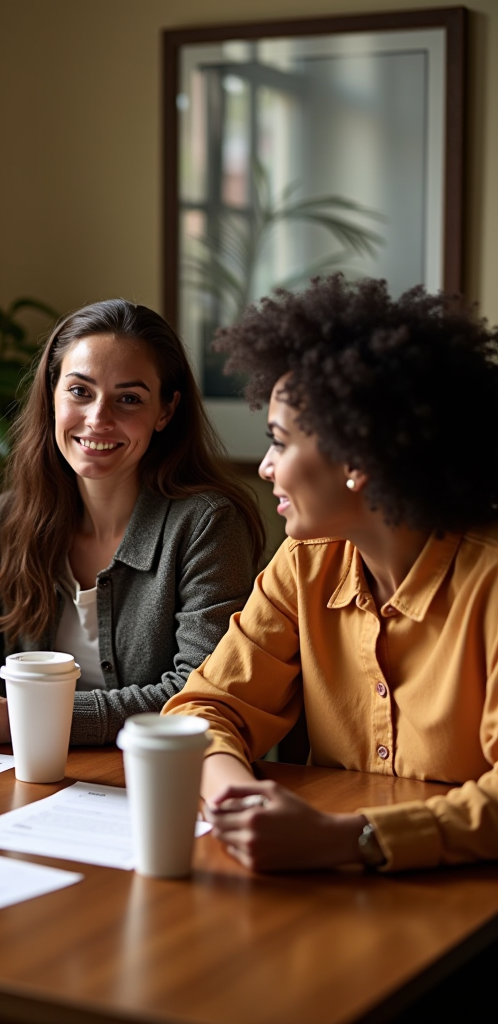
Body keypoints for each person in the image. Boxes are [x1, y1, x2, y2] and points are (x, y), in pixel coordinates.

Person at [163, 275, 498, 872]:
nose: (265, 467)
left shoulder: (491, 583)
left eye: (279, 442)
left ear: (357, 462)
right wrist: (231, 800)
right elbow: (205, 707)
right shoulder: (306, 562)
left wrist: (348, 839)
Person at [0, 298, 266, 746]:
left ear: (165, 411)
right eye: (80, 391)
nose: (98, 419)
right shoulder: (13, 520)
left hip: (155, 782)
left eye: (129, 398)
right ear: (52, 393)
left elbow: (200, 694)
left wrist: (23, 718)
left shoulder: (207, 525)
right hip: (35, 783)